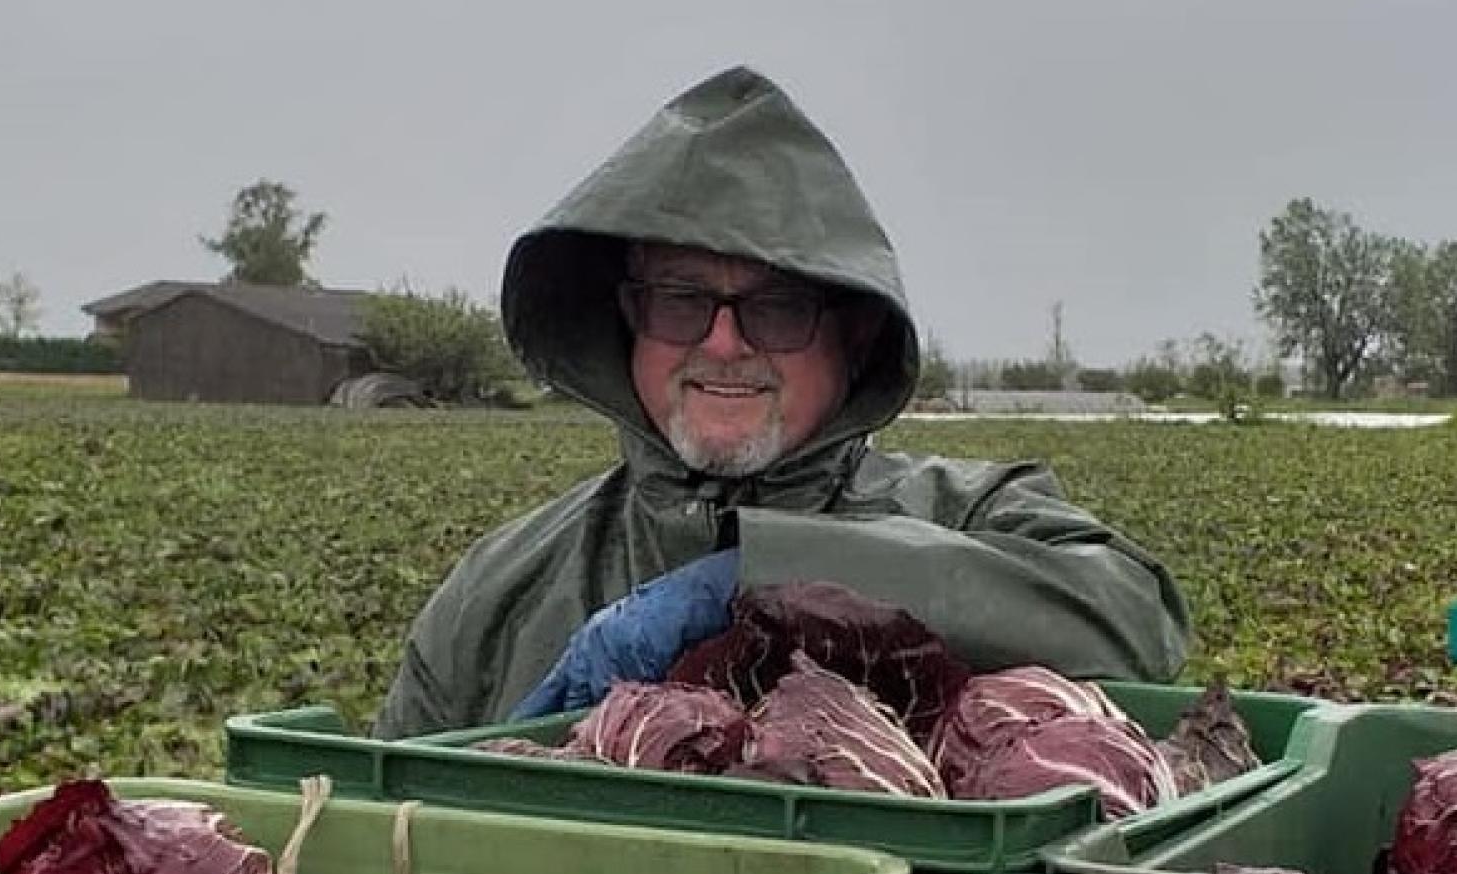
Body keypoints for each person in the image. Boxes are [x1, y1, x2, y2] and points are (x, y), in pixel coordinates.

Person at [374, 66, 1190, 738]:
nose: (724, 345)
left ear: (856, 334)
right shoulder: (497, 596)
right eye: (679, 299)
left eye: (778, 308)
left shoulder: (968, 514)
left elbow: (1132, 619)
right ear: (624, 321)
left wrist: (763, 579)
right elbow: (377, 853)